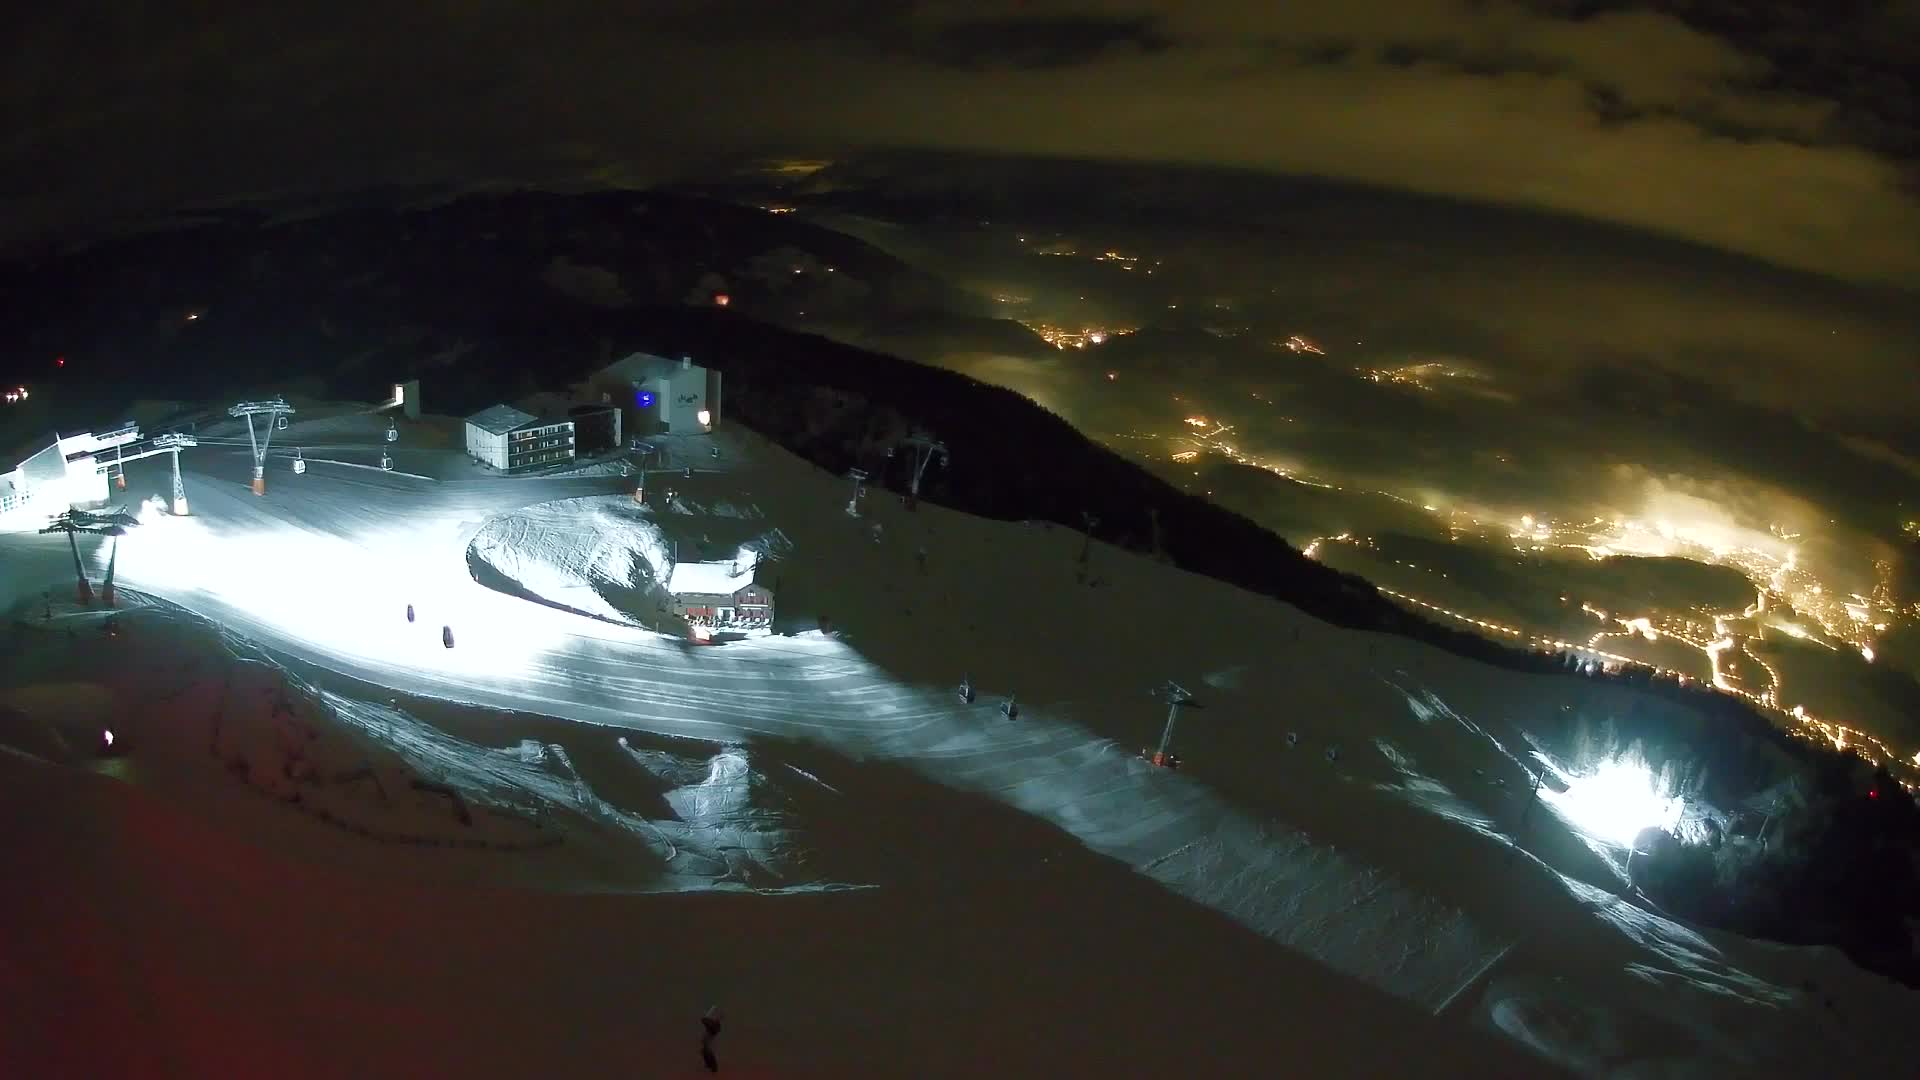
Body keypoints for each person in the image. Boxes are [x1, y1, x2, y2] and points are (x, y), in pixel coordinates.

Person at [700, 1006, 723, 1073]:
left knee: (707, 1052)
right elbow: (704, 1020)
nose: (716, 1018)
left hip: (708, 1042)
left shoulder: (714, 1026)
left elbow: (704, 1020)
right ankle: (709, 1065)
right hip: (707, 1042)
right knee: (704, 1052)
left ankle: (713, 1068)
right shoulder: (714, 1024)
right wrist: (711, 1010)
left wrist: (711, 1010)